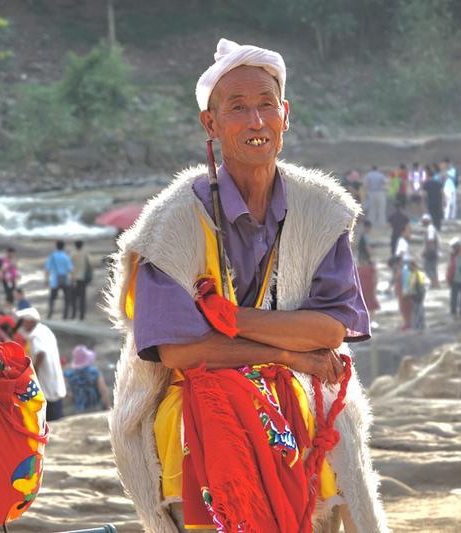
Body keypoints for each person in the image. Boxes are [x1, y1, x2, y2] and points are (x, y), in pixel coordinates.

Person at [105, 38, 384, 532]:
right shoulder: (170, 222)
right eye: (237, 108)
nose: (256, 121)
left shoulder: (322, 208)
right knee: (198, 421)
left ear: (285, 116)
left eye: (266, 105)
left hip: (305, 387)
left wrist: (229, 320)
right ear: (210, 124)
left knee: (335, 432)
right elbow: (177, 352)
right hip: (191, 392)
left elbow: (329, 330)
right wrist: (289, 353)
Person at [15, 307, 66, 421]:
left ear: (31, 321)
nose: (23, 324)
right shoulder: (44, 330)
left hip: (46, 378)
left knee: (51, 415)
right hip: (52, 377)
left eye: (24, 321)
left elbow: (41, 353)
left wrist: (33, 370)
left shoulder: (36, 335)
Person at [63, 345, 111, 413]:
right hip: (96, 407)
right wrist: (107, 406)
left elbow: (61, 389)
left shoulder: (69, 374)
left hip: (79, 409)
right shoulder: (94, 372)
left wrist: (72, 398)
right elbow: (103, 390)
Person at [356, 220, 379, 327]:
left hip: (362, 261)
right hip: (365, 262)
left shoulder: (362, 236)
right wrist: (373, 255)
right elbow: (367, 249)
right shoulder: (365, 237)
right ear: (367, 227)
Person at [44, 240, 73, 319]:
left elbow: (47, 269)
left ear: (56, 246)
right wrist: (72, 280)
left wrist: (46, 280)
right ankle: (65, 316)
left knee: (52, 299)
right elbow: (70, 269)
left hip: (55, 280)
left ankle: (50, 314)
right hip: (65, 280)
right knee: (66, 299)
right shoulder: (66, 256)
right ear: (63, 247)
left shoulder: (52, 256)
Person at [447, 238, 461, 319]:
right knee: (454, 297)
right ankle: (453, 312)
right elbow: (450, 266)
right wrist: (448, 278)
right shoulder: (452, 255)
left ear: (458, 246)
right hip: (454, 280)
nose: (453, 248)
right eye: (453, 247)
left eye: (455, 246)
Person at [70, 240, 93, 320]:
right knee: (82, 298)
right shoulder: (85, 254)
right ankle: (81, 316)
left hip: (74, 279)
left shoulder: (72, 254)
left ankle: (73, 314)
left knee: (74, 298)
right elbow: (90, 264)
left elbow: (70, 267)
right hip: (83, 278)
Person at [404, 259, 427, 331]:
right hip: (418, 295)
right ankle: (420, 326)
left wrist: (408, 294)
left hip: (416, 296)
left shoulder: (414, 275)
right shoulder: (417, 274)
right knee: (419, 311)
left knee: (417, 311)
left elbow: (412, 286)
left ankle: (419, 326)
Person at [363, 165, 387, 229]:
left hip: (371, 192)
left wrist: (366, 193)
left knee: (372, 209)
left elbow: (365, 185)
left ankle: (370, 224)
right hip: (380, 192)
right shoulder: (380, 175)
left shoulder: (368, 175)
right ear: (377, 169)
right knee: (381, 209)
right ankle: (382, 223)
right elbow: (385, 182)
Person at [420, 213, 440, 288]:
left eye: (423, 221)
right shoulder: (431, 228)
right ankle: (435, 284)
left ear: (426, 221)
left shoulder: (430, 229)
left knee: (427, 268)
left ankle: (434, 283)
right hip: (433, 251)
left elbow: (430, 241)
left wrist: (425, 251)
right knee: (433, 268)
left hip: (431, 251)